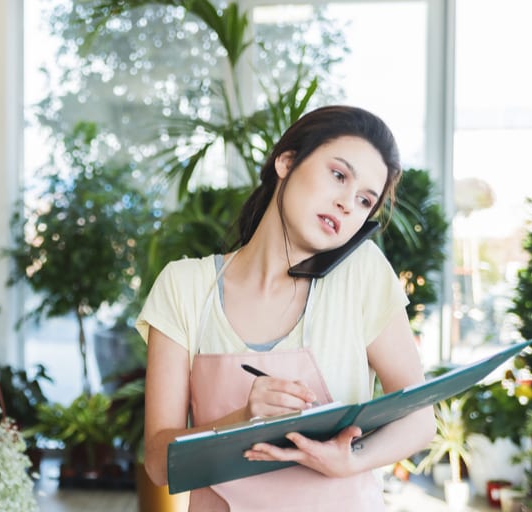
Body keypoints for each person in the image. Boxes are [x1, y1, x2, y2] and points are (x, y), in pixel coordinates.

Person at [136, 105, 436, 511]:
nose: (348, 203)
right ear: (287, 161)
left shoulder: (361, 275)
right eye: (338, 175)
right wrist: (242, 419)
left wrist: (348, 460)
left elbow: (419, 419)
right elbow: (158, 462)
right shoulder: (185, 286)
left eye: (365, 200)